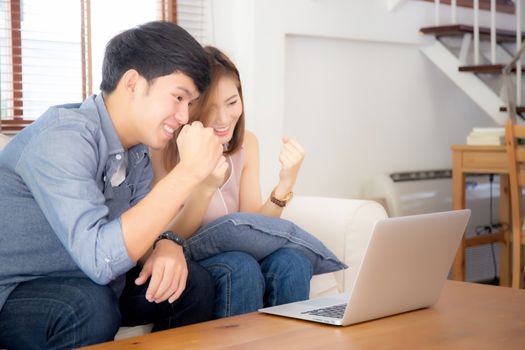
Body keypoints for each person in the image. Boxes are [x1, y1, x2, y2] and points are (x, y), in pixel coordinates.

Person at [0, 21, 223, 349]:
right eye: (178, 97)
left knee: (192, 283)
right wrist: (188, 173)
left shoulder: (137, 153)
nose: (184, 116)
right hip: (17, 291)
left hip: (88, 279)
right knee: (88, 306)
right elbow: (101, 259)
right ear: (132, 83)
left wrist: (167, 244)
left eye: (189, 104)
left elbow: (131, 234)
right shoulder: (64, 138)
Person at [150, 46, 313, 319]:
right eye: (210, 107)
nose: (224, 119)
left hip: (238, 253)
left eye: (232, 102)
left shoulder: (246, 143)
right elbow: (163, 239)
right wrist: (204, 190)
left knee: (293, 261)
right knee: (240, 265)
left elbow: (252, 222)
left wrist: (285, 183)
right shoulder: (164, 148)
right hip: (190, 256)